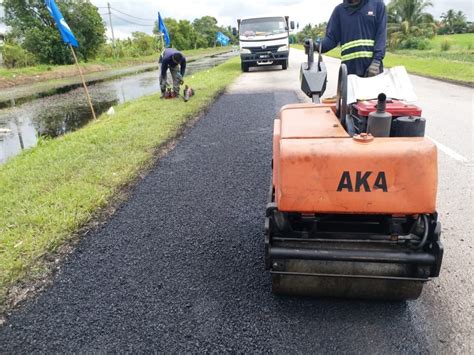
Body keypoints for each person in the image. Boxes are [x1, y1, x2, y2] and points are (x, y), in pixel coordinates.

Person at [317, 0, 387, 77]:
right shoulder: (339, 11)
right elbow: (331, 39)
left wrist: (376, 62)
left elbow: (381, 36)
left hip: (372, 70)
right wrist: (316, 46)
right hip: (349, 72)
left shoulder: (377, 5)